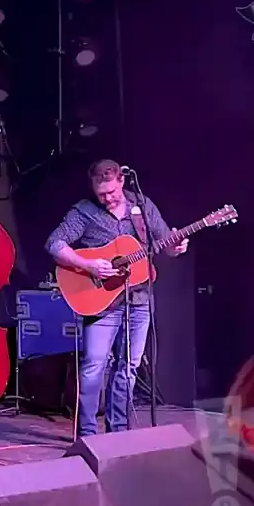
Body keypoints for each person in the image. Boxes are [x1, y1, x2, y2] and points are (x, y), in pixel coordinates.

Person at [46, 159, 187, 438]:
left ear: (122, 181)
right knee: (94, 367)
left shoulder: (142, 207)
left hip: (138, 300)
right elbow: (54, 243)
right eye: (101, 193)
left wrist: (176, 246)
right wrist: (88, 265)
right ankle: (86, 435)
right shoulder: (85, 212)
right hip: (101, 303)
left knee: (129, 368)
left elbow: (164, 243)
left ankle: (118, 433)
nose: (107, 198)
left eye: (111, 192)